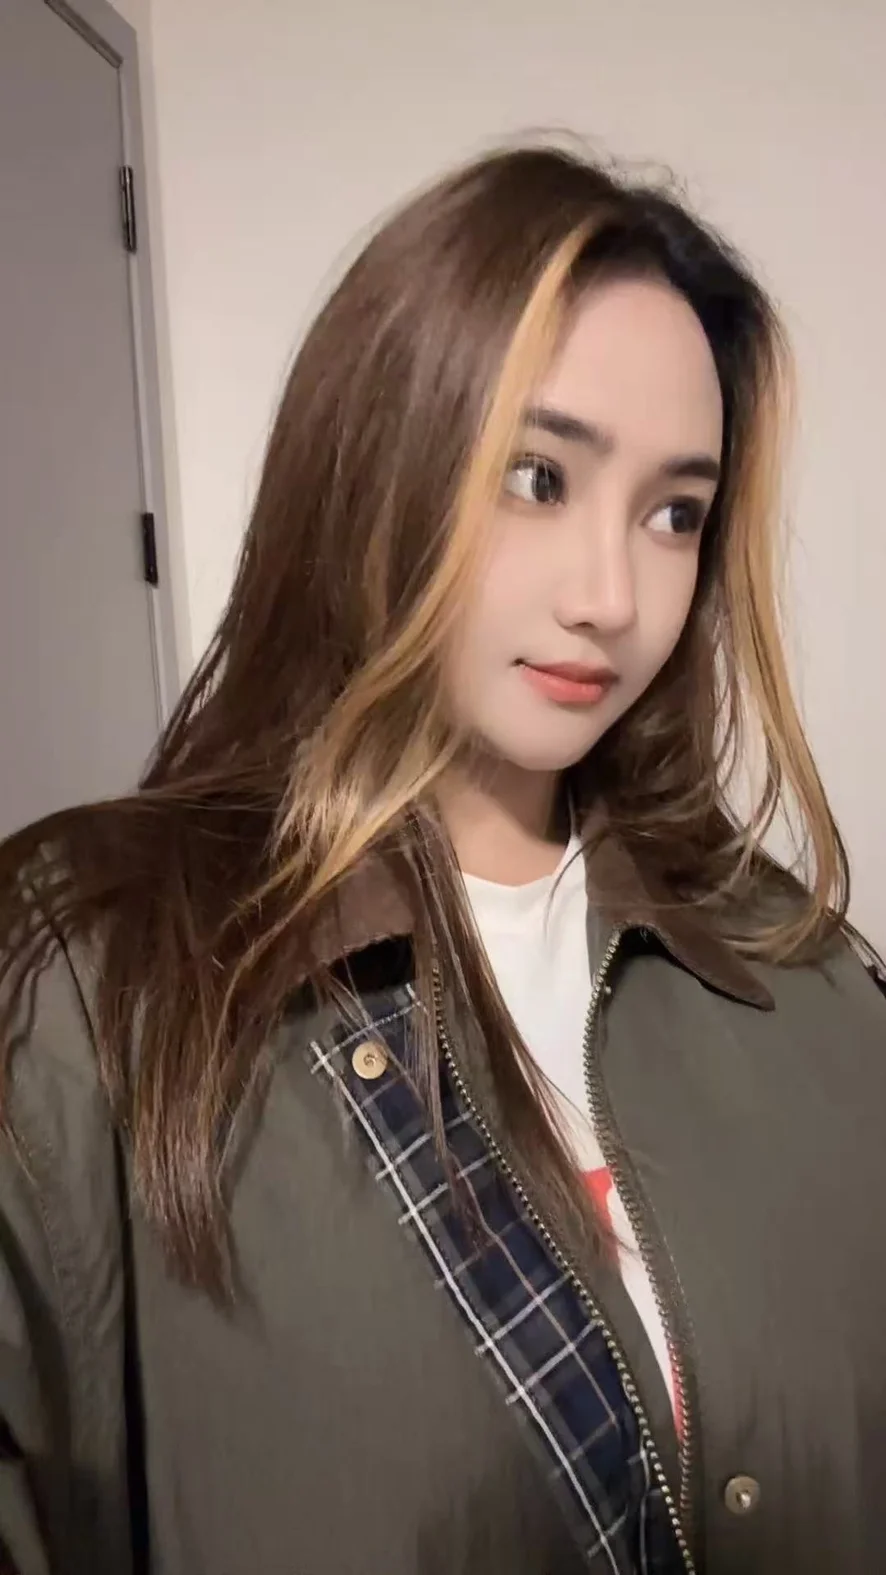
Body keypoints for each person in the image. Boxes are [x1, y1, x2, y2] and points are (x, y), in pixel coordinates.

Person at [0, 141, 884, 1575]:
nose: (611, 594)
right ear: (373, 458)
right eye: (536, 477)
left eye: (674, 512)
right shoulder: (89, 978)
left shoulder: (800, 974)